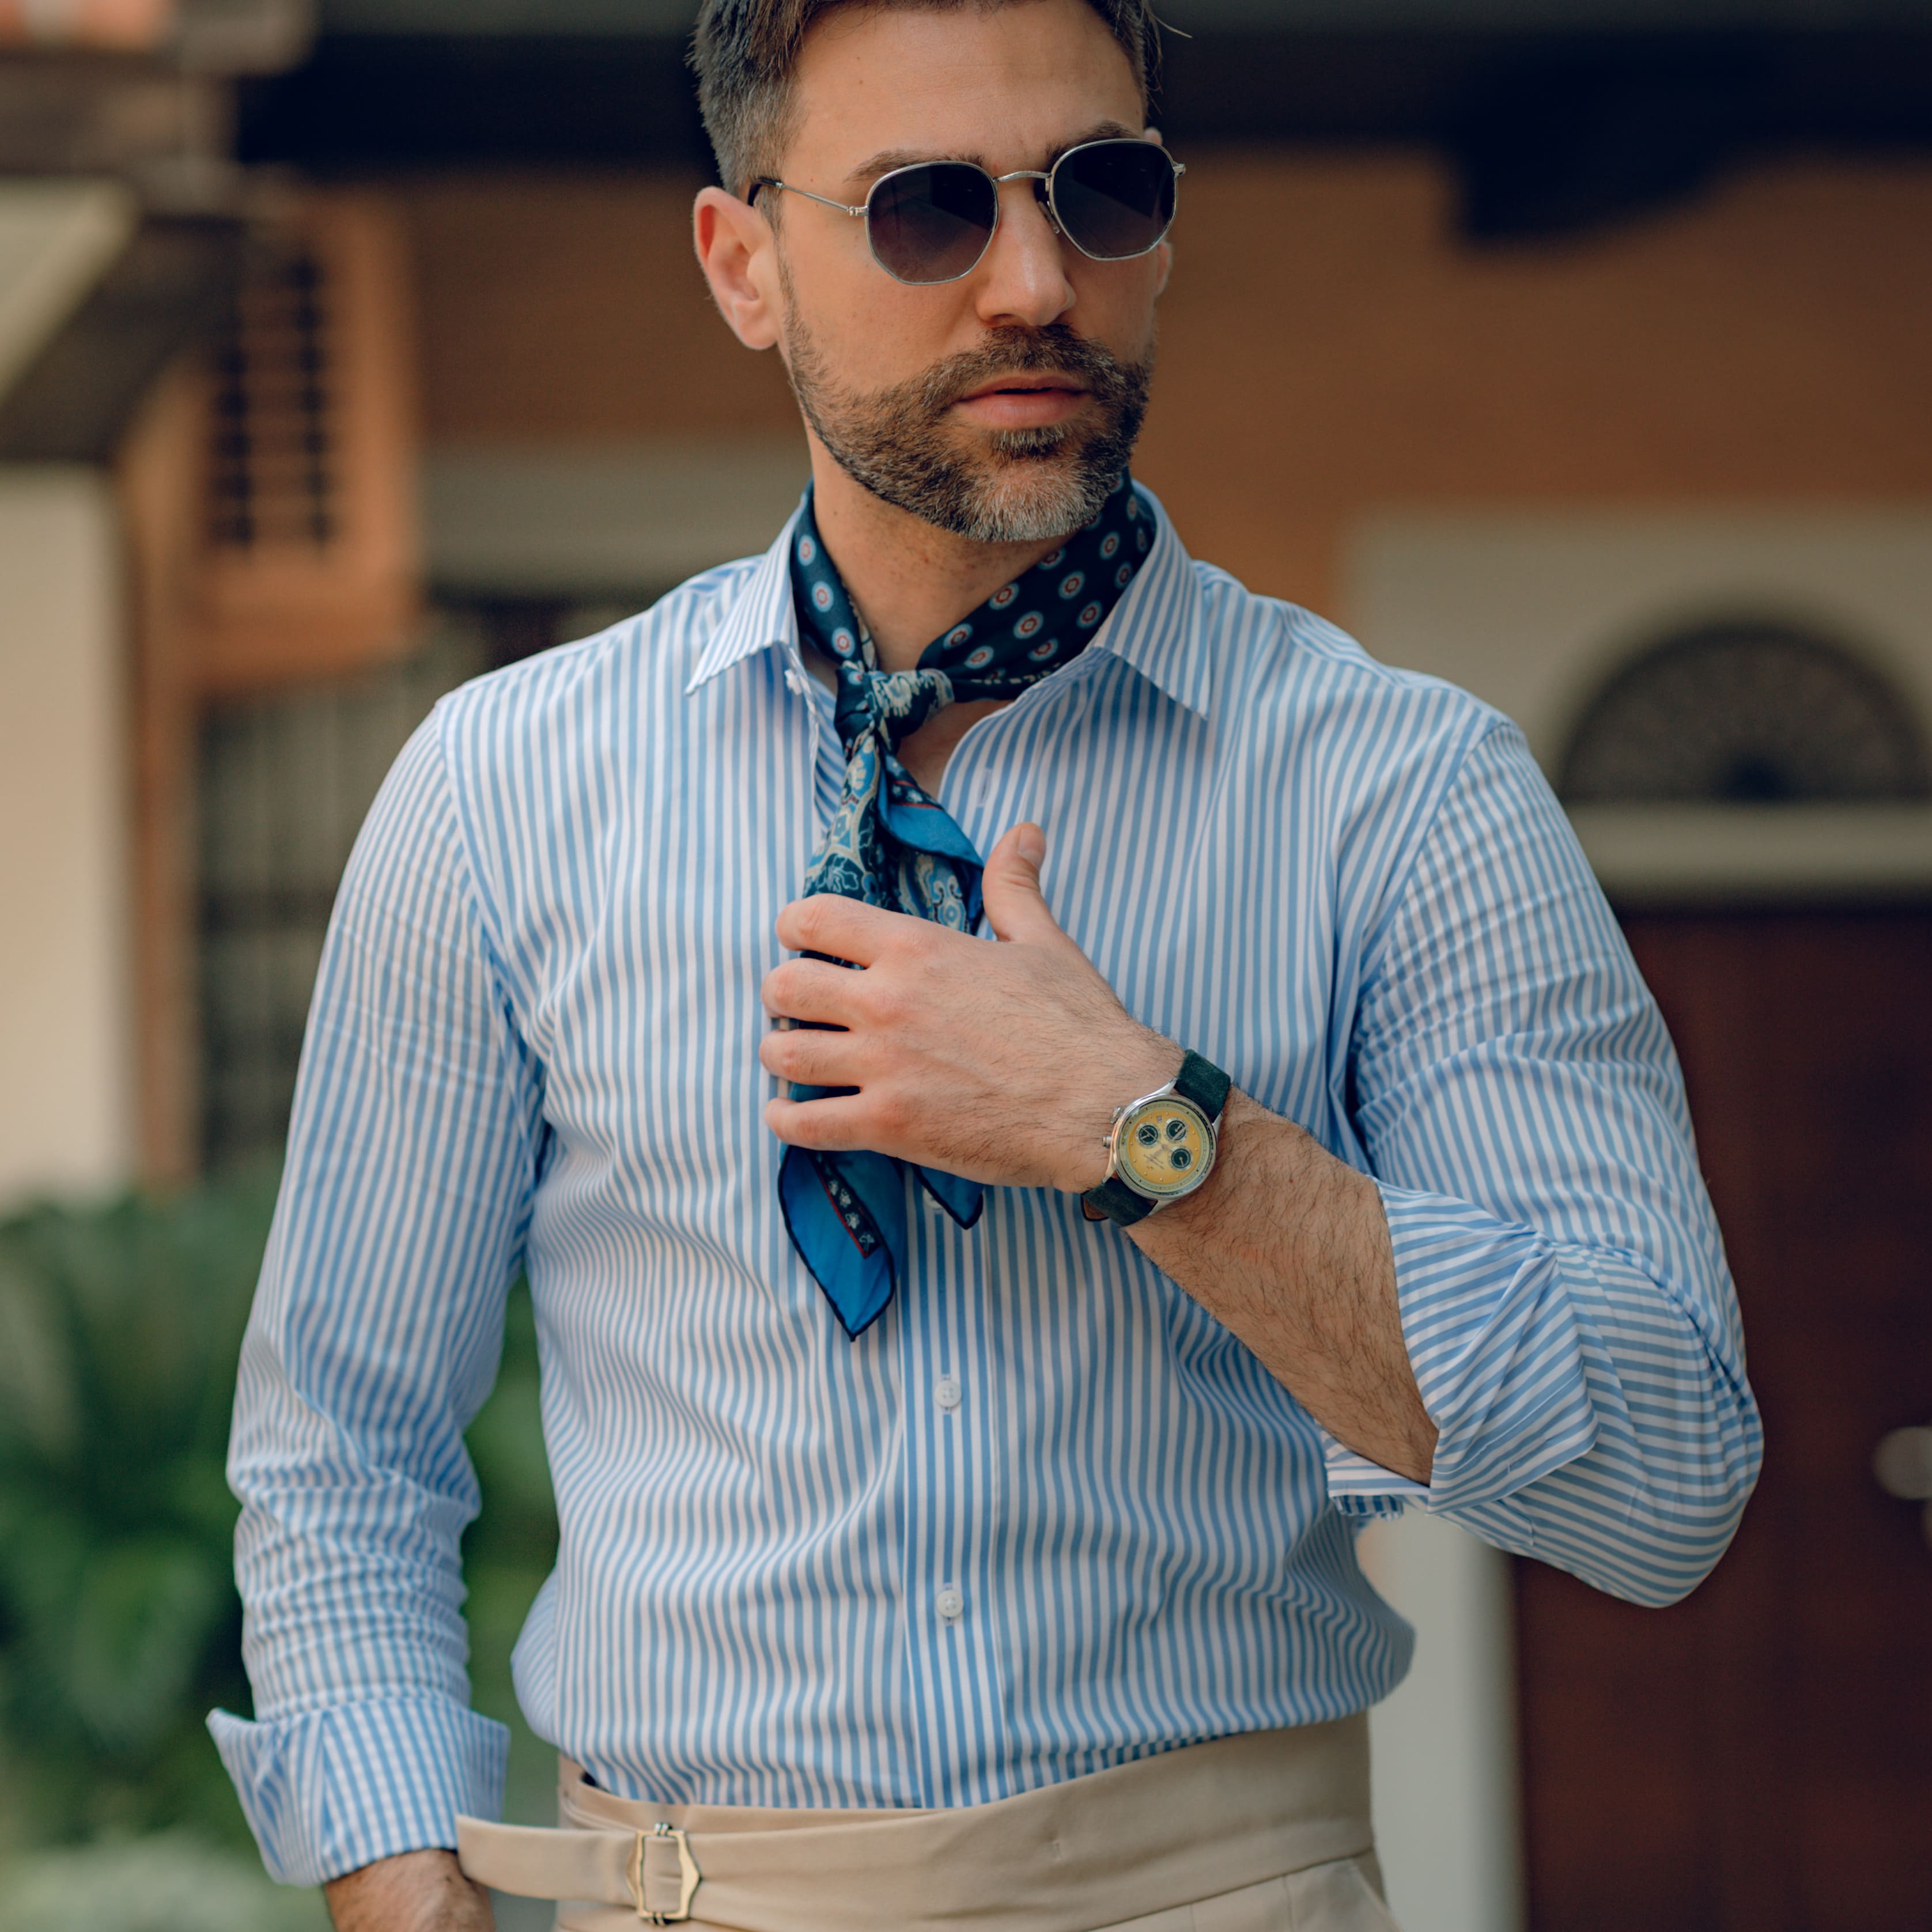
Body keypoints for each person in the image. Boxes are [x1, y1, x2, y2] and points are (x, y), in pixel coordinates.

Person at [211, 2, 1763, 1927]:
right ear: (743, 263)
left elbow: (1663, 1475)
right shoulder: (504, 790)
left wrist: (1151, 1134)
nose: (1036, 282)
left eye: (1097, 194)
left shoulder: (1405, 790)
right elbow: (343, 1444)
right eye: (929, 211)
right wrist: (397, 1873)